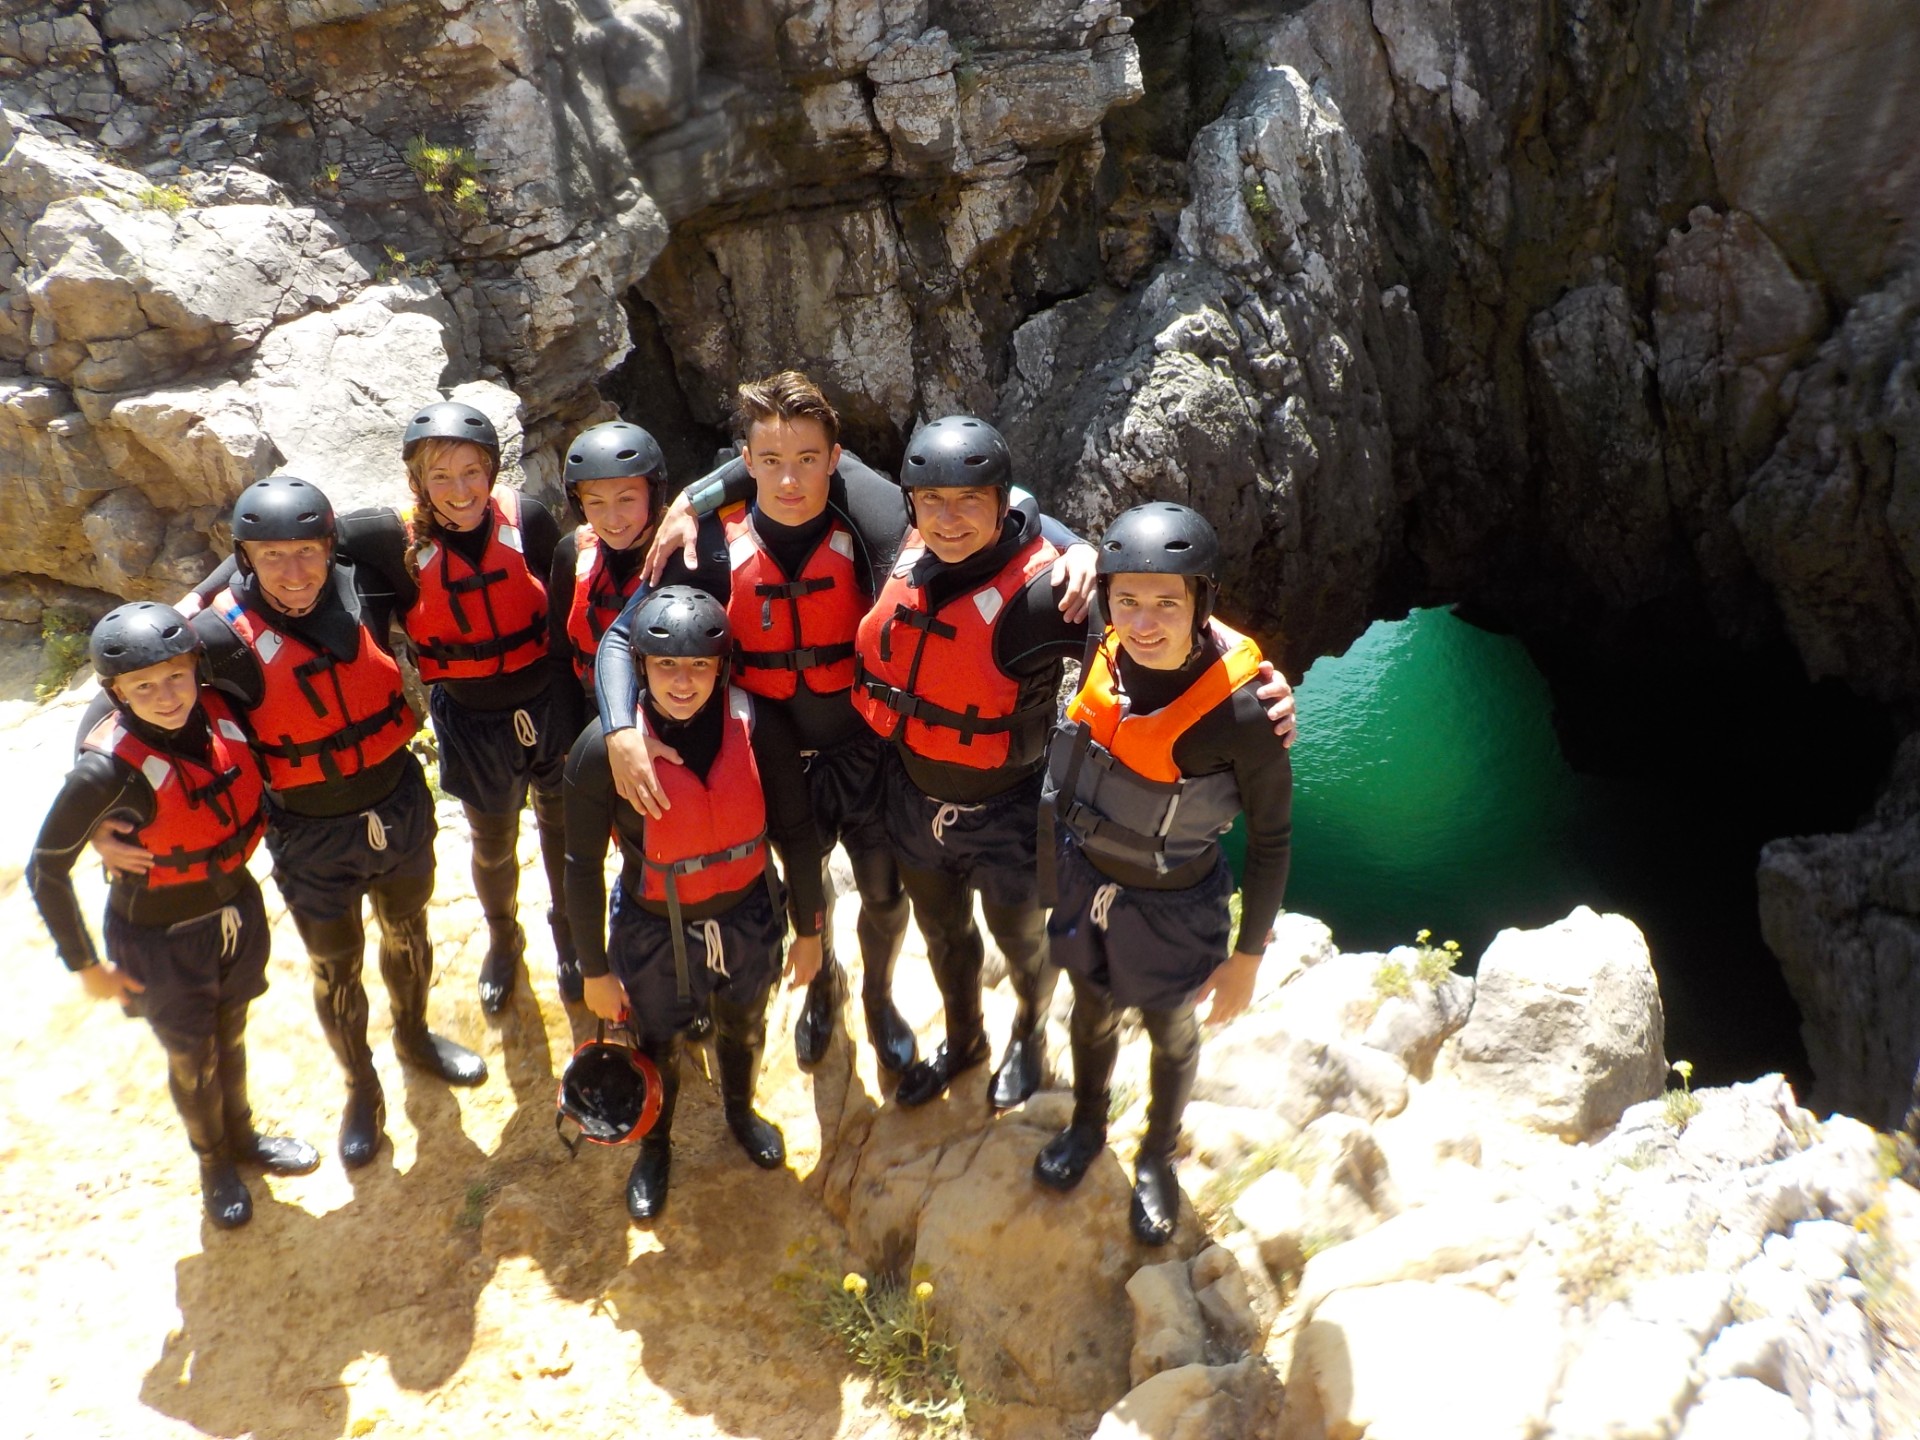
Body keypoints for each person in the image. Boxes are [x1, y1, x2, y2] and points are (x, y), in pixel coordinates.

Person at [595, 372, 1099, 1077]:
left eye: (808, 460)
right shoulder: (708, 547)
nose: (790, 480)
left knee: (885, 897)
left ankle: (878, 999)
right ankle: (822, 984)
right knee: (806, 888)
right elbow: (623, 638)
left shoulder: (875, 518)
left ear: (833, 460)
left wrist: (1077, 545)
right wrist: (620, 728)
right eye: (769, 462)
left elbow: (993, 508)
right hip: (767, 755)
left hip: (862, 747)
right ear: (745, 461)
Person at [853, 418, 1300, 1111]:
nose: (947, 519)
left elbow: (1158, 619)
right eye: (931, 500)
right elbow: (821, 462)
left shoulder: (1045, 596)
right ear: (910, 502)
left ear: (1003, 503)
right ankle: (966, 1038)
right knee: (942, 932)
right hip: (913, 794)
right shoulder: (897, 541)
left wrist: (1253, 677)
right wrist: (690, 502)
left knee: (1020, 941)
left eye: (969, 500)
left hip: (1007, 808)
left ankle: (1028, 1038)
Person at [95, 477, 487, 1167]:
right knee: (336, 968)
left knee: (408, 931)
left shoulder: (366, 578)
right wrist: (101, 814)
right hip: (310, 833)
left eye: (307, 551)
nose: (294, 573)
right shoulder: (217, 638)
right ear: (245, 560)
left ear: (329, 545)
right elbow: (111, 707)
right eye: (271, 557)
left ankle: (415, 1037)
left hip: (397, 800)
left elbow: (426, 515)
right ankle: (361, 1088)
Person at [1031, 502, 1293, 1246]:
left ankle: (1155, 1154)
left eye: (1167, 605)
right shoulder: (1102, 644)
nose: (1144, 623)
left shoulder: (1244, 714)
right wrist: (1076, 545)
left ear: (1201, 606)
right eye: (1128, 601)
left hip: (1176, 904)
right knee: (1091, 1010)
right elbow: (1011, 512)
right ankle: (1088, 1126)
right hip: (1088, 876)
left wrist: (1248, 957)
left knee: (1172, 1030)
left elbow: (1272, 838)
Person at [30, 603, 320, 1227]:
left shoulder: (218, 708)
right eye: (143, 686)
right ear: (115, 694)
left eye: (175, 677)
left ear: (195, 669)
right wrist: (84, 964)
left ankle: (242, 1138)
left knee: (233, 1033)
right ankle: (213, 1162)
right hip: (157, 935)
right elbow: (46, 868)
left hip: (233, 907)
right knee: (193, 1057)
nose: (165, 697)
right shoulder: (104, 771)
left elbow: (222, 591)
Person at [565, 586, 827, 1220]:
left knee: (744, 1023)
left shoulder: (759, 728)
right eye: (665, 666)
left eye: (699, 666)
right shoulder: (603, 751)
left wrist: (809, 930)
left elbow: (797, 833)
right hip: (656, 926)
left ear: (723, 667)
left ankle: (739, 1111)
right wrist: (594, 970)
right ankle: (655, 1146)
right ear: (642, 668)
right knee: (659, 1038)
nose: (683, 682)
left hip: (749, 913)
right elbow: (579, 867)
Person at [398, 401, 581, 1010]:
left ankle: (571, 940)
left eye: (472, 472)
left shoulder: (527, 520)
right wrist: (199, 599)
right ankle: (505, 938)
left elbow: (566, 611)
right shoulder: (395, 545)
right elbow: (286, 543)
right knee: (493, 842)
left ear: (493, 471)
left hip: (545, 702)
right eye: (441, 476)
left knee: (560, 828)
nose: (459, 490)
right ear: (418, 483)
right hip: (472, 719)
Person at [549, 420, 670, 714]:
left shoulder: (683, 553)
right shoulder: (571, 554)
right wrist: (570, 744)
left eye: (626, 499)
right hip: (595, 710)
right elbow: (559, 658)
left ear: (653, 494)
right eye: (596, 502)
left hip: (668, 713)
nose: (612, 518)